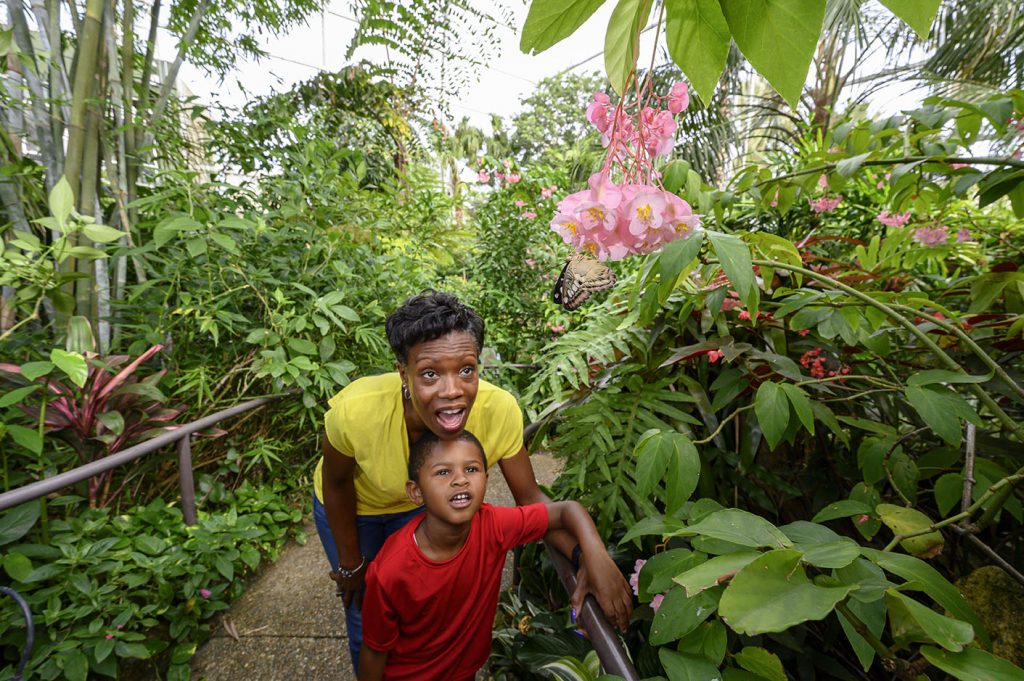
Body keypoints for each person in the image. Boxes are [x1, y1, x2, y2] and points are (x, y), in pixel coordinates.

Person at [313, 291, 632, 670]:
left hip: (425, 506)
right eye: (430, 374)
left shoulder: (497, 410)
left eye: (466, 370)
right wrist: (351, 565)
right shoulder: (355, 412)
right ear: (403, 372)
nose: (452, 391)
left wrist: (589, 556)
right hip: (358, 507)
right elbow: (336, 484)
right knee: (365, 616)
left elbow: (530, 497)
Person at [358, 430, 616, 681]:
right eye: (443, 472)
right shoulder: (390, 571)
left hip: (465, 670)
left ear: (486, 479)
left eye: (471, 469)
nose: (460, 480)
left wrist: (594, 557)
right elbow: (374, 651)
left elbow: (566, 511)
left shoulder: (492, 525)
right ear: (416, 492)